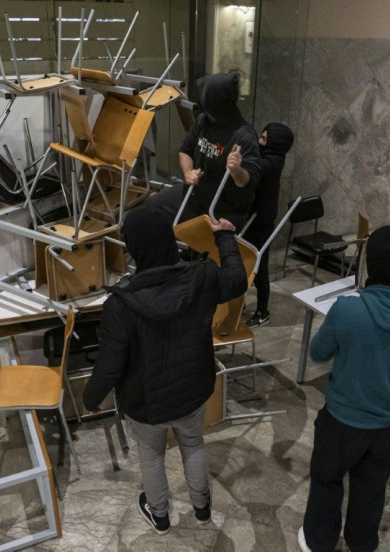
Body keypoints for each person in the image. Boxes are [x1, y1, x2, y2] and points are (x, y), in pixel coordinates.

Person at [82, 204, 247, 534]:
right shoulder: (202, 277)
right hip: (193, 390)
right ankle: (202, 509)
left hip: (146, 404)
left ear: (136, 249)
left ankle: (159, 516)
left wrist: (92, 398)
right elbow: (238, 281)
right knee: (193, 444)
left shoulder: (121, 305)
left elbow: (110, 364)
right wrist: (226, 238)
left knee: (151, 454)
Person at [298, 225, 390, 552]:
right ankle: (361, 544)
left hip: (340, 423)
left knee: (326, 482)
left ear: (371, 265)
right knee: (370, 490)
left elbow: (319, 353)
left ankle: (320, 542)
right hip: (389, 427)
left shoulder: (348, 309)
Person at [178, 72, 261, 230]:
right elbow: (185, 149)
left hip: (224, 213)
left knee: (211, 253)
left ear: (214, 101)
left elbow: (247, 182)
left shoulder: (244, 136)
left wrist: (236, 170)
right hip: (197, 202)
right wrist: (188, 172)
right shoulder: (203, 120)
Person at [244, 122, 294, 328]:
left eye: (264, 139)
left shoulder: (272, 162)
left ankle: (262, 311)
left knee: (259, 268)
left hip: (260, 223)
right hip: (254, 219)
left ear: (274, 144)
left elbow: (253, 166)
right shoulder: (270, 157)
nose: (260, 141)